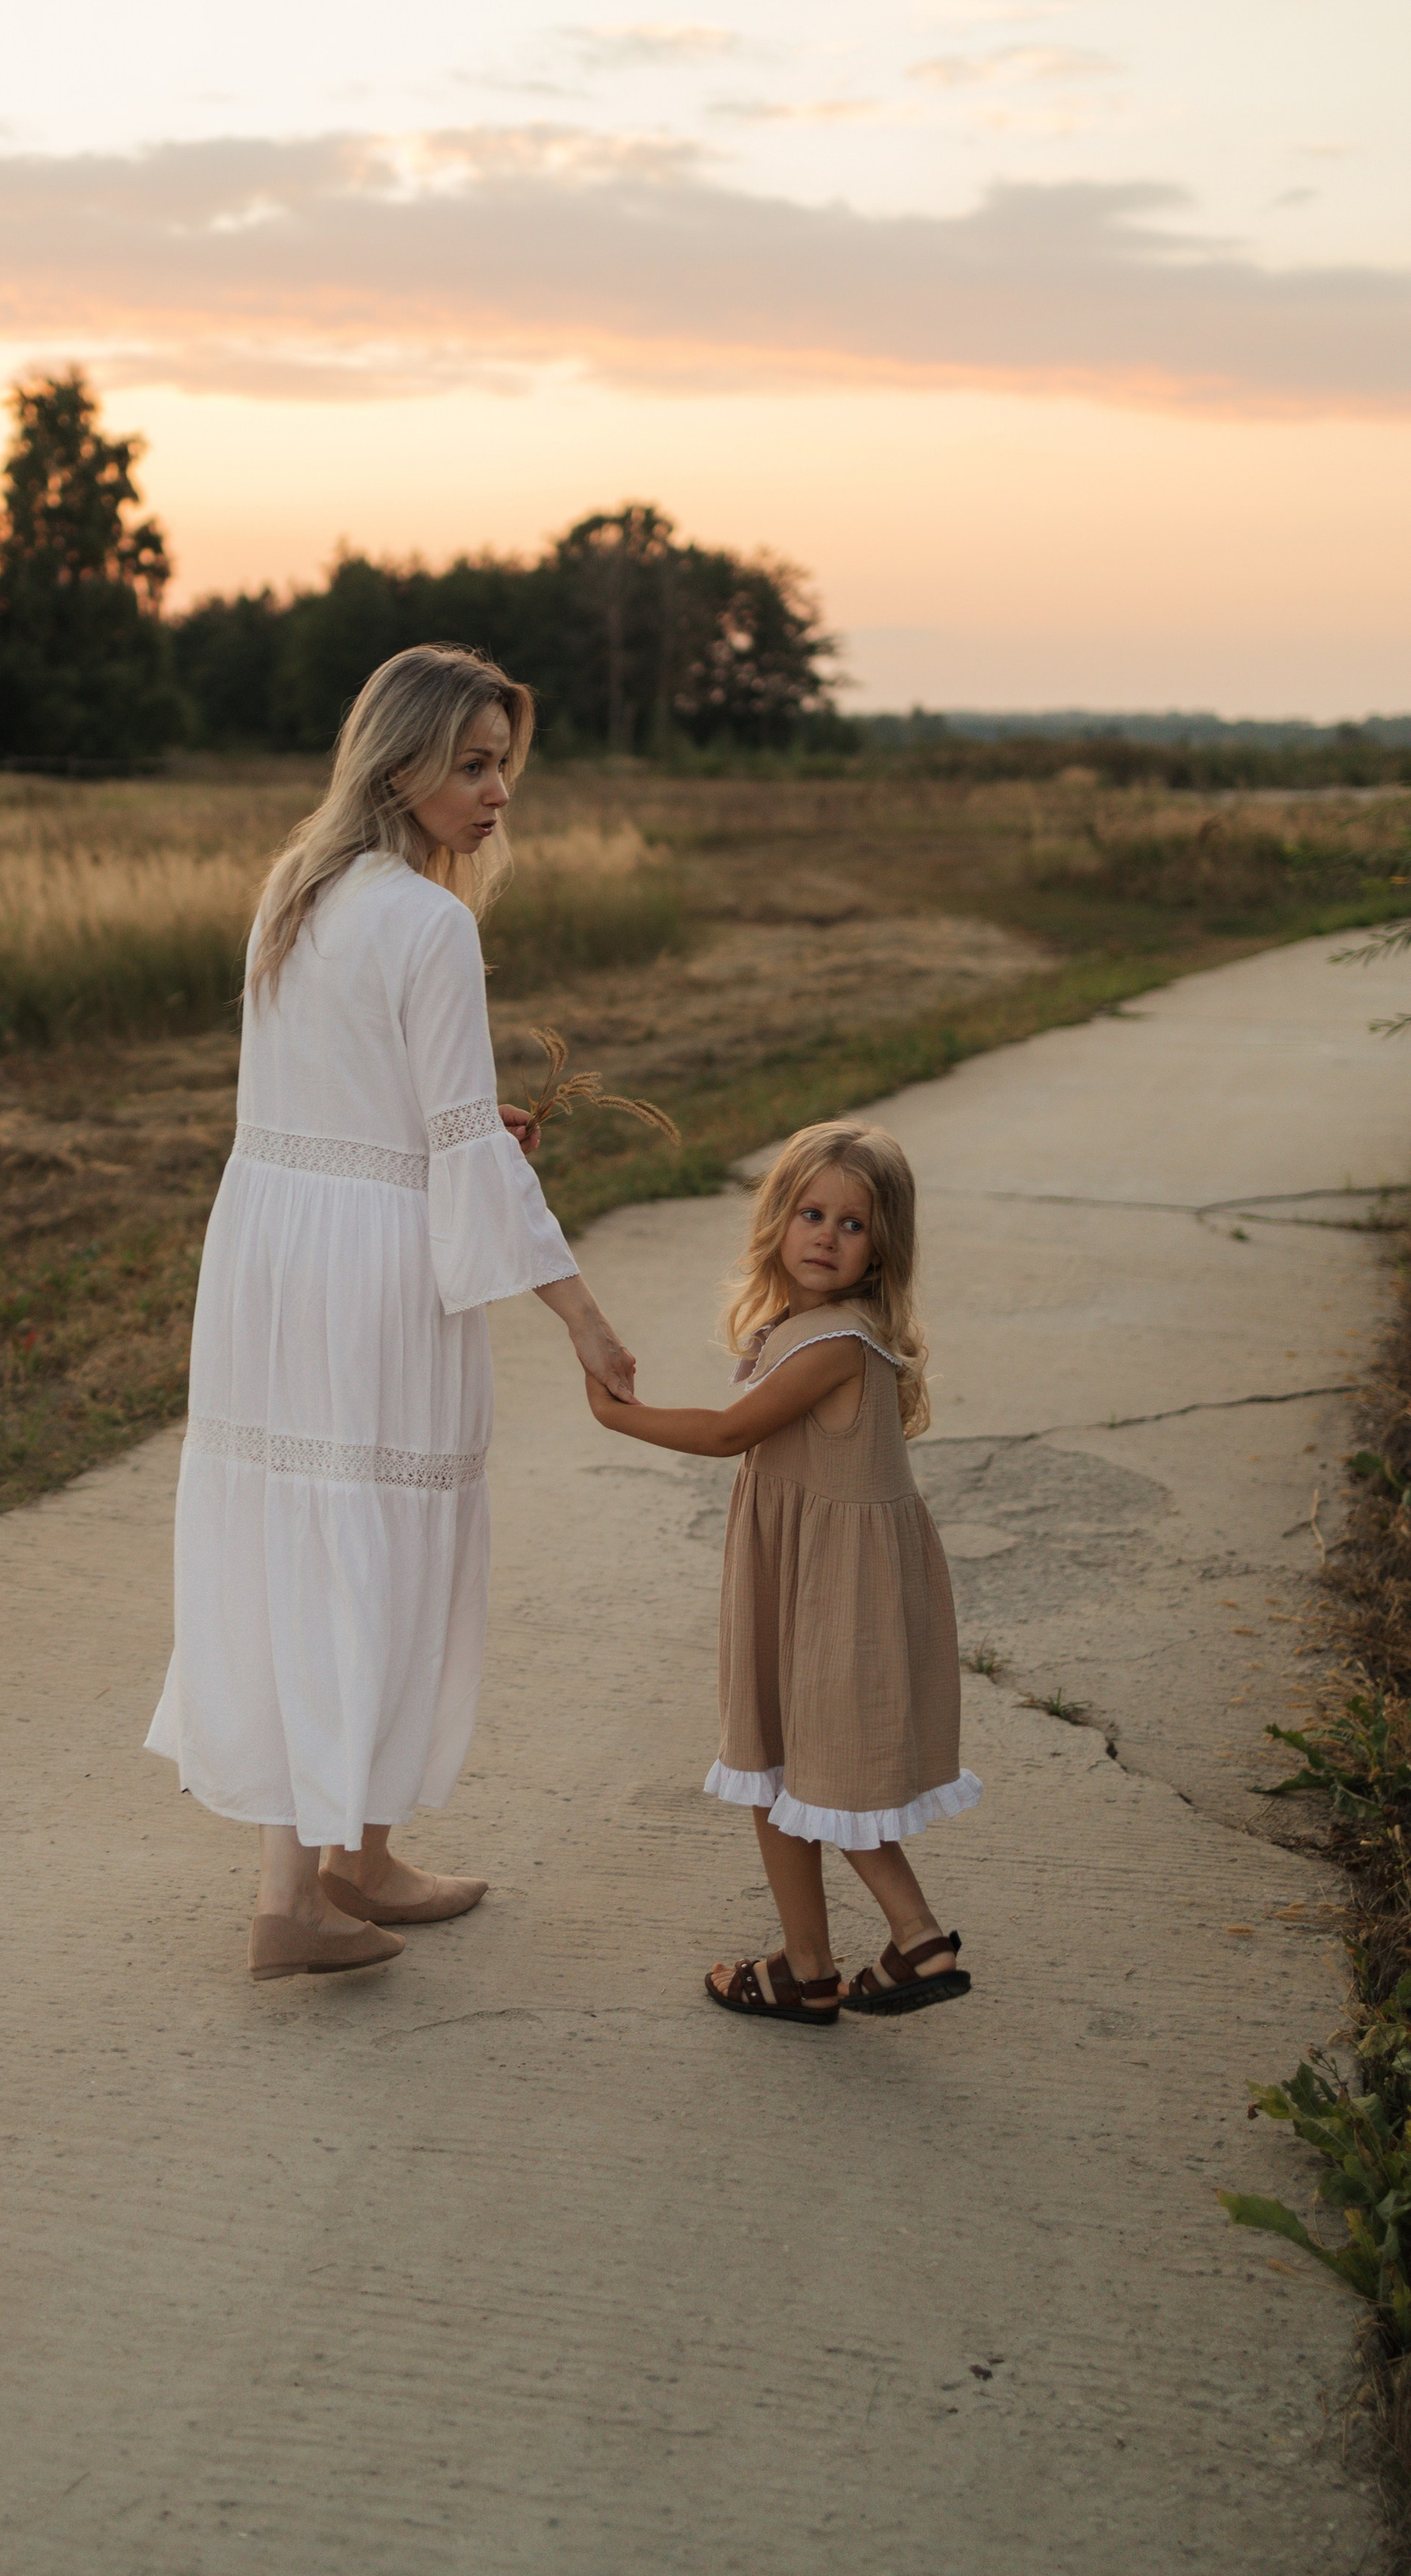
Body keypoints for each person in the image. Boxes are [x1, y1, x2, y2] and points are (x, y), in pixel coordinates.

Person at [146, 645, 637, 1981]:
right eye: (472, 765)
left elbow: (398, 1113)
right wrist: (581, 1315)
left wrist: (455, 1133)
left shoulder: (292, 891)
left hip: (268, 1254)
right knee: (371, 1545)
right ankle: (294, 1897)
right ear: (400, 759)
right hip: (372, 1267)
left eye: (505, 768)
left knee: (303, 1536)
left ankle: (351, 1864)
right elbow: (463, 1149)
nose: (497, 795)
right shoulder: (430, 923)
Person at [583, 1119, 978, 2026]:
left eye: (853, 1224)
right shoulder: (801, 1329)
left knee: (824, 1774)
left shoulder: (838, 1341)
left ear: (883, 1248)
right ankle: (810, 1967)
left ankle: (916, 1936)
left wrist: (618, 1416)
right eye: (811, 1214)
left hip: (837, 1592)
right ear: (777, 1220)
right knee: (778, 1765)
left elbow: (728, 1434)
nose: (827, 1237)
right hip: (805, 1578)